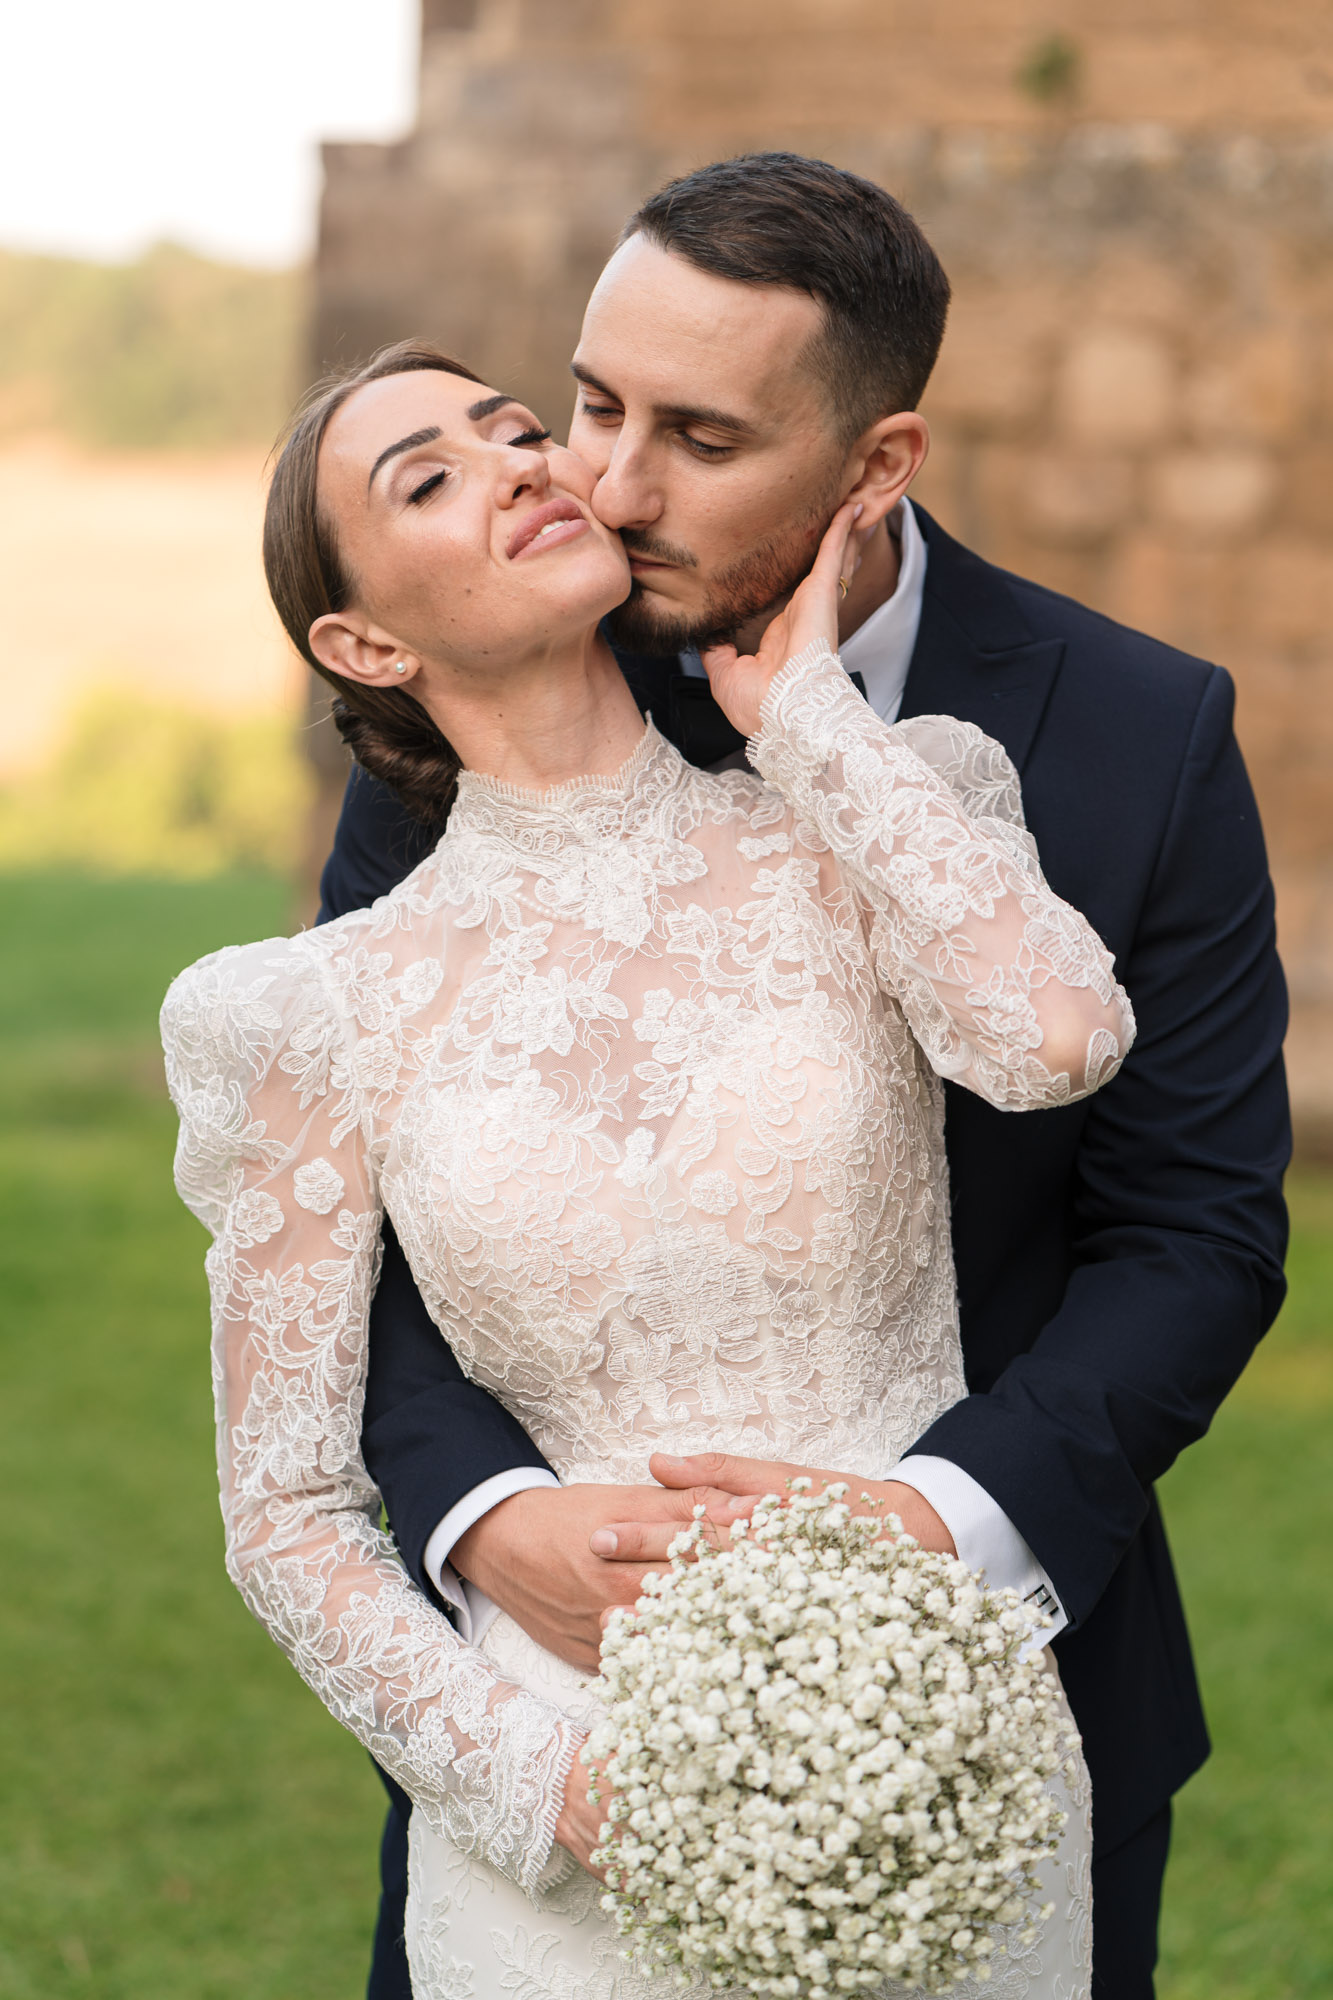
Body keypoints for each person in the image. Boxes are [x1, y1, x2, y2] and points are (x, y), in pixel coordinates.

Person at [317, 156, 1291, 2000]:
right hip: (553, 1716)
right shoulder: (476, 700)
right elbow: (355, 1227)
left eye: (697, 436)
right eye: (593, 403)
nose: (604, 484)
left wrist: (928, 1531)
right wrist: (481, 1524)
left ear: (875, 467)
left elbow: (1194, 1233)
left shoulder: (1139, 737)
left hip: (1008, 1708)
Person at [163, 319, 1133, 1996]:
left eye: (518, 428)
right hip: (568, 1802)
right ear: (360, 637)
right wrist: (559, 1785)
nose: (522, 464)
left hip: (927, 1751)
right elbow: (290, 1512)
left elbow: (1054, 1043)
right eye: (432, 477)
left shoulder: (867, 815)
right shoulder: (311, 1011)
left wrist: (811, 718)